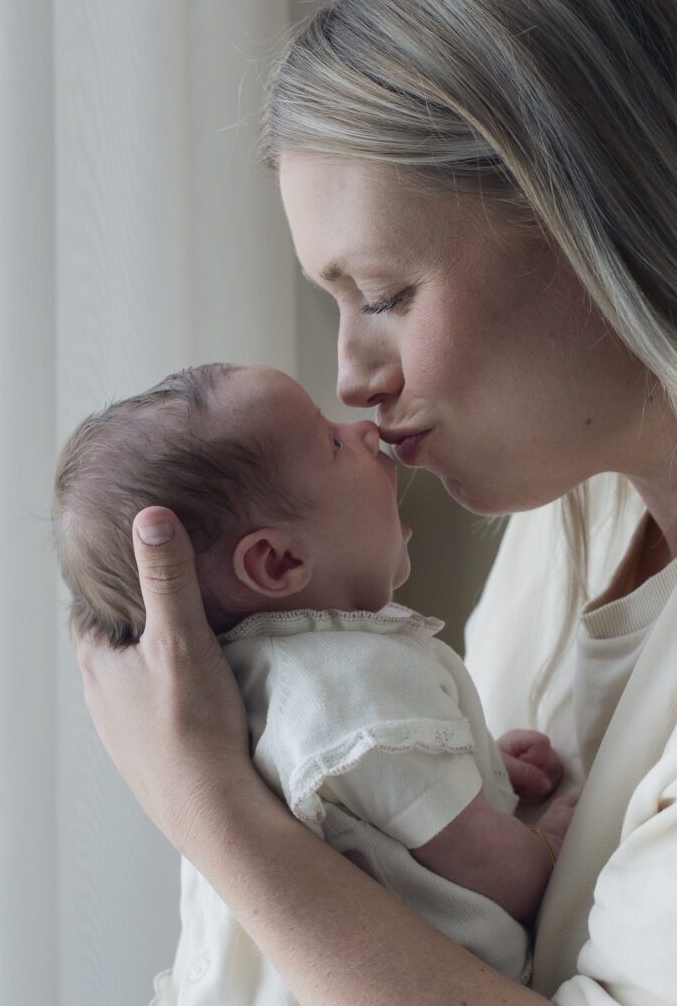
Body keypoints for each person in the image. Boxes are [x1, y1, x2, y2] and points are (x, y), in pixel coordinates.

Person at [75, 0, 677, 1004]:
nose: (352, 375)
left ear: (590, 212)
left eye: (387, 294)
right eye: (336, 303)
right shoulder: (557, 530)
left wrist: (209, 806)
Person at [54, 361, 574, 1001]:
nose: (361, 430)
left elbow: (362, 813)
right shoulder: (360, 683)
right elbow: (497, 872)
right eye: (331, 443)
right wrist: (547, 844)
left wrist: (472, 767)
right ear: (278, 561)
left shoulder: (229, 696)